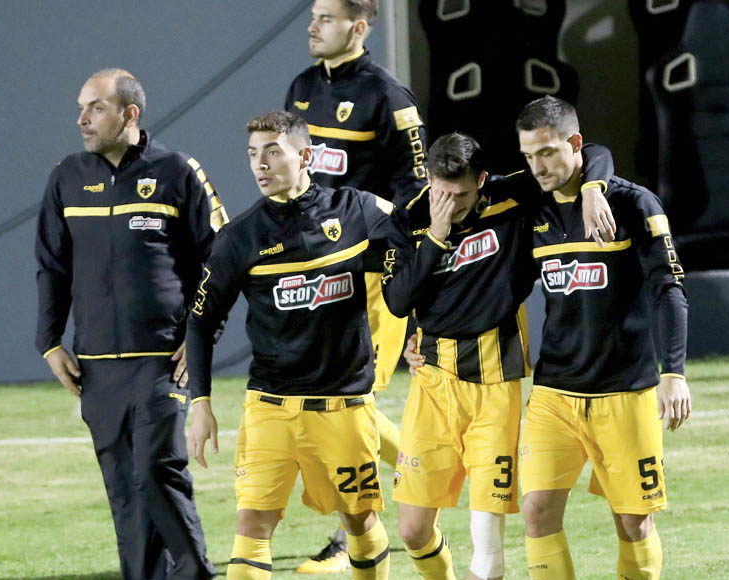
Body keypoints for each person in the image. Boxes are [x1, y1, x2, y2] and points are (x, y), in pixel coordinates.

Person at [184, 110, 408, 580]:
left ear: (305, 156)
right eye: (252, 154)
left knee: (360, 522)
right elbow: (201, 322)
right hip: (270, 408)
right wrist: (200, 403)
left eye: (272, 152)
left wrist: (428, 328)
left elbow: (414, 247)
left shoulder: (357, 210)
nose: (260, 164)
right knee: (252, 526)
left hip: (345, 407)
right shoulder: (239, 237)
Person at [382, 133, 615, 580]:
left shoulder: (511, 197)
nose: (451, 204)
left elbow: (594, 153)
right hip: (432, 384)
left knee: (487, 542)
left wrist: (591, 189)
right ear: (428, 178)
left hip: (496, 386)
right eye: (441, 193)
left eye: (461, 194)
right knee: (412, 531)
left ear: (481, 180)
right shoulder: (408, 220)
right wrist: (436, 236)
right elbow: (396, 301)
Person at [35, 68, 225, 580]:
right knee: (124, 492)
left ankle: (195, 573)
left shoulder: (179, 171)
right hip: (96, 366)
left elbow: (220, 261)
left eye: (95, 107)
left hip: (161, 361)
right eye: (81, 107)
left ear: (129, 113)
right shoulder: (66, 177)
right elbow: (51, 265)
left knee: (155, 472)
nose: (82, 119)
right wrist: (49, 341)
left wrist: (201, 333)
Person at [515, 96, 691, 580]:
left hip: (625, 390)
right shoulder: (531, 205)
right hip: (554, 392)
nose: (537, 167)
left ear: (575, 143)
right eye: (528, 156)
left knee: (634, 522)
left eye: (547, 152)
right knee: (536, 511)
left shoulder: (634, 204)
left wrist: (673, 373)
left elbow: (669, 289)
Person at [285, 0, 428, 571]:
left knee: (347, 403)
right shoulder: (301, 87)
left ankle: (354, 539)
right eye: (314, 15)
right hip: (315, 269)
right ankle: (424, 465)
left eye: (327, 17)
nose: (313, 24)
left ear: (359, 27)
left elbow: (417, 192)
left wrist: (401, 264)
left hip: (370, 271)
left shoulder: (388, 97)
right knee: (330, 403)